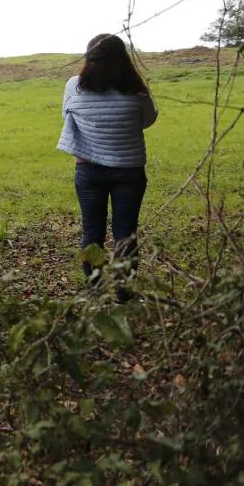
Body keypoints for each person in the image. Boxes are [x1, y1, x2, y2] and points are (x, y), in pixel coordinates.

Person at [57, 34, 157, 302]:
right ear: (123, 58)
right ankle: (125, 293)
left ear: (88, 58)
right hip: (129, 171)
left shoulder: (73, 86)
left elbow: (66, 114)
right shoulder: (137, 88)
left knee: (92, 232)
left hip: (88, 171)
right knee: (126, 233)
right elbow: (148, 120)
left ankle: (96, 291)